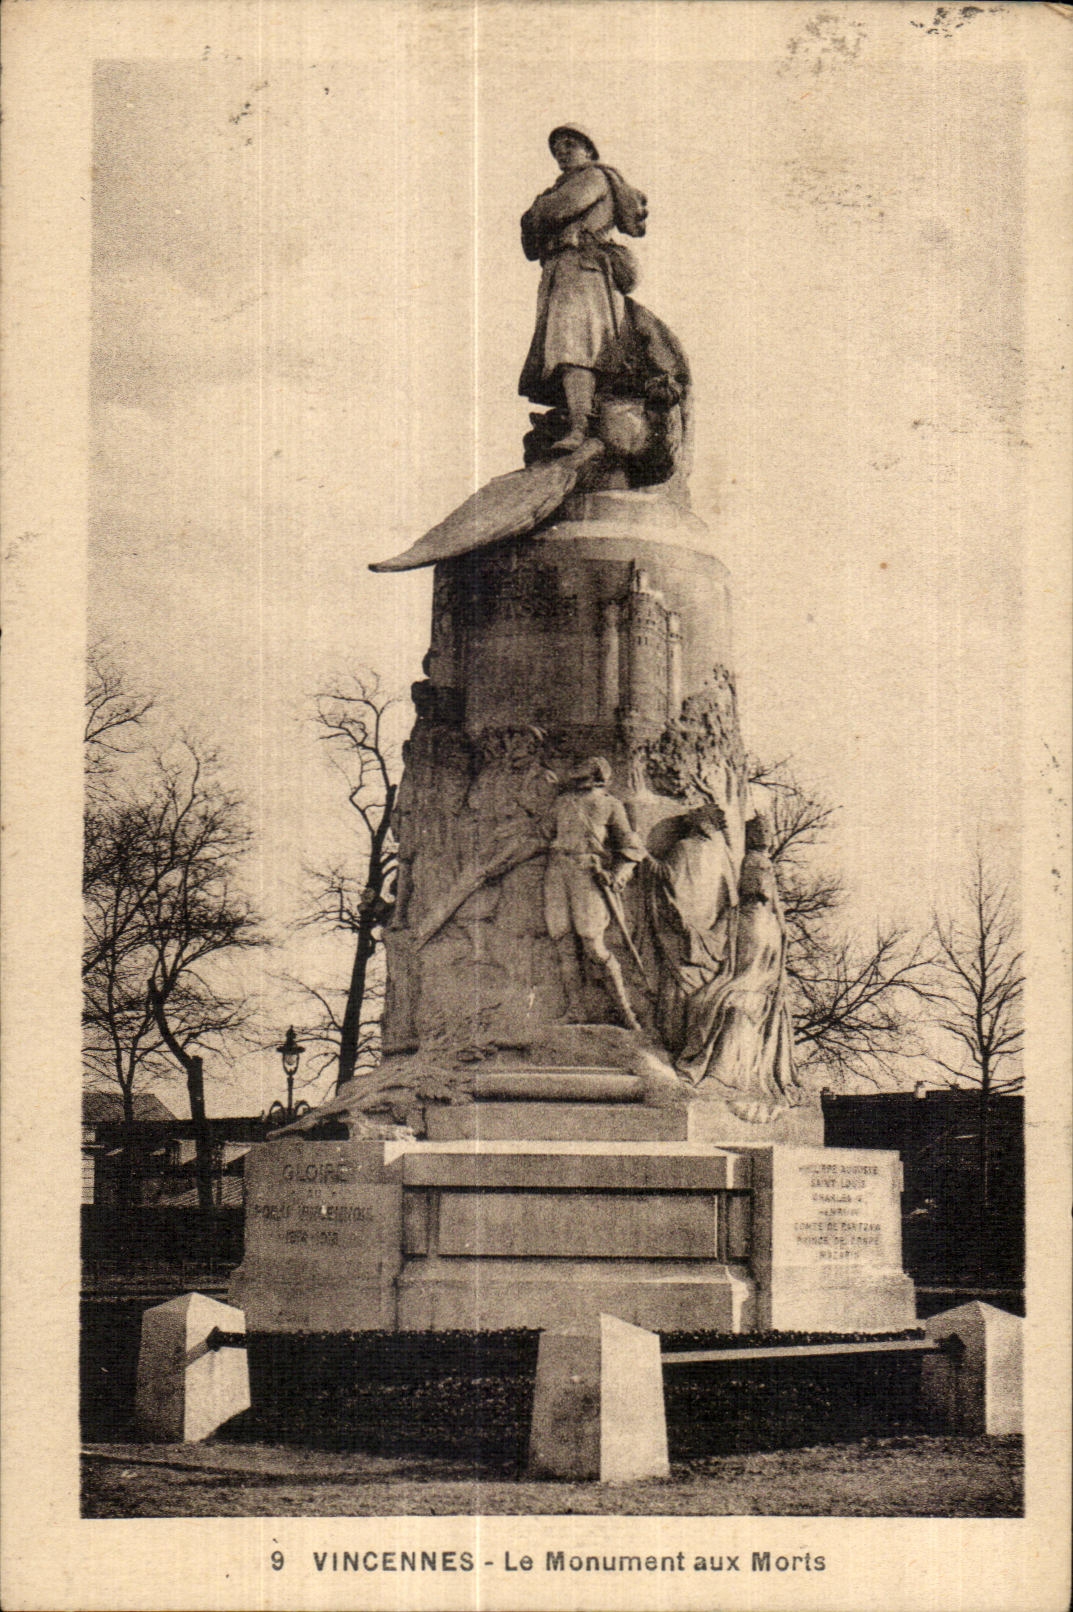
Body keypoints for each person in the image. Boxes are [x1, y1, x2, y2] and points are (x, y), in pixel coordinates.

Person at [519, 125, 648, 453]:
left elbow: (556, 210)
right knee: (563, 352)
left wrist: (536, 210)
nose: (562, 151)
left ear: (589, 150)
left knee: (575, 349)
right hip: (563, 271)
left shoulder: (592, 177)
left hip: (584, 270)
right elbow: (531, 244)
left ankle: (580, 428)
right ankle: (575, 420)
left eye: (570, 144)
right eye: (557, 148)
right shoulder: (565, 184)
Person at [543, 756, 648, 1030]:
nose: (576, 772)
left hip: (587, 873)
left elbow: (632, 848)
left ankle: (625, 1011)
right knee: (563, 941)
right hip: (557, 871)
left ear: (597, 774)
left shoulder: (611, 805)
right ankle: (576, 1009)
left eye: (583, 769)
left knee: (592, 943)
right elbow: (544, 833)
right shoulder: (562, 802)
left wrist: (617, 875)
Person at [647, 805, 739, 1068]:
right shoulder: (722, 855)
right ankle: (691, 1047)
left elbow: (667, 877)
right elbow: (731, 900)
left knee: (676, 988)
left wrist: (643, 856)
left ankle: (671, 1046)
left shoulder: (684, 848)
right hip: (711, 936)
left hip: (683, 932)